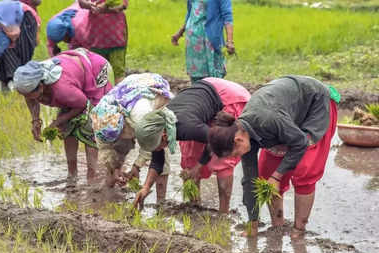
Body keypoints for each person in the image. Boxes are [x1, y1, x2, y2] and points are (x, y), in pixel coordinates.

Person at [207, 75, 341, 238]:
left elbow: (299, 142)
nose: (237, 158)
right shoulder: (243, 133)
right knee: (265, 173)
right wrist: (252, 225)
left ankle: (298, 230)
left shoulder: (267, 119)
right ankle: (278, 227)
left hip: (315, 104)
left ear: (238, 140)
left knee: (304, 171)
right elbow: (249, 182)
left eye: (234, 154)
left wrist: (277, 177)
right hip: (287, 116)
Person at [133, 78, 251, 212]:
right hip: (201, 97)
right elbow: (157, 162)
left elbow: (214, 140)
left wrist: (199, 165)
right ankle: (194, 208)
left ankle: (223, 214)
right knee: (189, 160)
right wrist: (145, 188)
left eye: (158, 146)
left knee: (221, 159)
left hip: (227, 97)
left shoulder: (186, 127)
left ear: (164, 136)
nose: (159, 150)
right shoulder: (159, 126)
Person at [13, 48, 113, 185]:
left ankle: (92, 177)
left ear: (41, 86)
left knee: (90, 130)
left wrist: (58, 121)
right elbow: (30, 98)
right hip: (73, 76)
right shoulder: (30, 81)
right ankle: (72, 175)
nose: (27, 98)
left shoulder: (62, 90)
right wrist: (35, 120)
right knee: (68, 132)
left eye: (29, 95)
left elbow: (82, 104)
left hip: (96, 70)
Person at [90, 73, 173, 200]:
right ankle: (109, 193)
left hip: (151, 91)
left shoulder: (142, 115)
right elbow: (105, 148)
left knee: (161, 150)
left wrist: (137, 166)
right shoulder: (100, 119)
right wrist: (114, 168)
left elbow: (152, 143)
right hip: (127, 95)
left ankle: (161, 202)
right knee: (119, 149)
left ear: (124, 126)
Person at [171, 0, 235, 83]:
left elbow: (227, 16)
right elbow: (190, 12)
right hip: (193, 39)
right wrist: (180, 32)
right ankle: (197, 94)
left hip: (211, 39)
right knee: (196, 75)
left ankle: (212, 94)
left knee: (215, 76)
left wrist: (230, 41)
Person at [77, 0, 128, 84]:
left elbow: (122, 5)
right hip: (101, 35)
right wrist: (92, 5)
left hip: (111, 35)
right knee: (102, 72)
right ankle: (112, 94)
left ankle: (108, 93)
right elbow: (81, 3)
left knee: (113, 71)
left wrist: (102, 8)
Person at [0, 2, 41, 91]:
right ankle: (19, 85)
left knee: (9, 47)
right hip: (21, 15)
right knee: (20, 51)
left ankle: (8, 84)